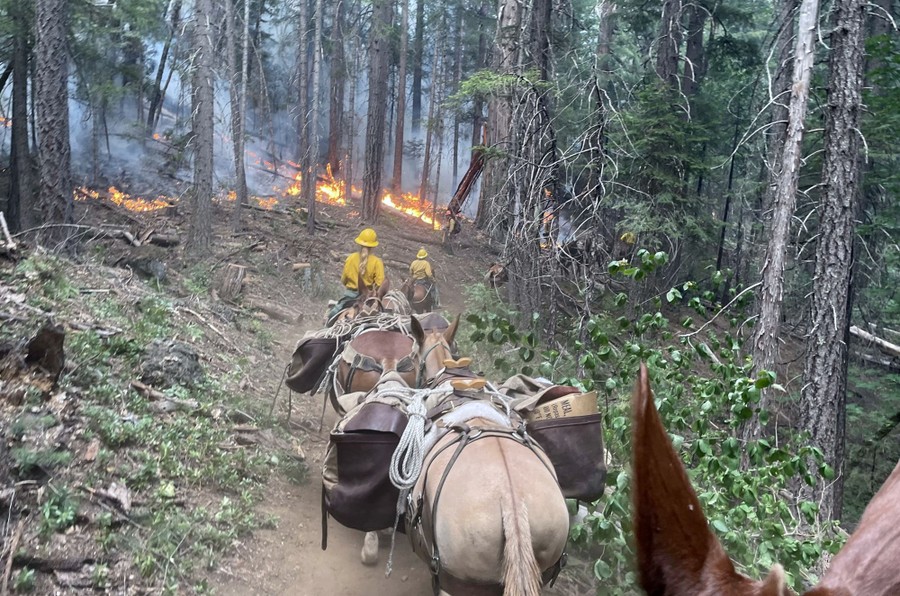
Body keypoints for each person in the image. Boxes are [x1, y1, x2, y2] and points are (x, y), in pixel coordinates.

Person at [326, 228, 388, 321]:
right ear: (374, 246)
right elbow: (380, 283)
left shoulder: (351, 258)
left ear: (358, 244)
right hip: (368, 298)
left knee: (332, 314)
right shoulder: (377, 262)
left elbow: (344, 279)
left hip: (350, 295)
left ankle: (326, 327)